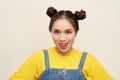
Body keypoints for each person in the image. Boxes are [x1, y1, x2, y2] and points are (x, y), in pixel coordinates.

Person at [9, 7, 113, 80]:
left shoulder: (88, 60)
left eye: (68, 32)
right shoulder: (38, 58)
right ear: (51, 32)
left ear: (75, 32)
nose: (62, 38)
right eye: (57, 32)